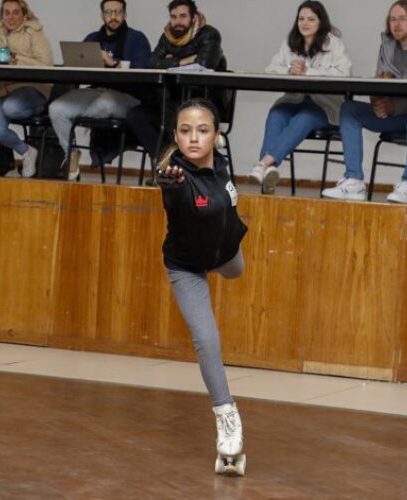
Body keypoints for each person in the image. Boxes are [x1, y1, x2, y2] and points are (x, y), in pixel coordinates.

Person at [155, 98, 247, 475]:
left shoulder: (222, 164)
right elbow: (171, 189)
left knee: (237, 271)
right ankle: (227, 417)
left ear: (216, 136)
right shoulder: (174, 176)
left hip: (227, 255)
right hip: (188, 267)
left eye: (203, 130)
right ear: (176, 136)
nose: (194, 138)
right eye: (186, 131)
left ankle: (229, 258)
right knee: (207, 340)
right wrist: (171, 184)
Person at [322, 0, 407, 204]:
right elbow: (380, 81)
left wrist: (395, 106)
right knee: (349, 109)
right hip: (400, 114)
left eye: (402, 19)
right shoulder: (387, 47)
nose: (396, 24)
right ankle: (353, 181)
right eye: (392, 19)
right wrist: (378, 102)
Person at [250, 0, 352, 195]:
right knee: (277, 113)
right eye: (301, 19)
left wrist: (309, 72)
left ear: (321, 22)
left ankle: (263, 164)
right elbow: (270, 69)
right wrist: (289, 69)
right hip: (294, 99)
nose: (304, 23)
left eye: (311, 19)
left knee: (305, 117)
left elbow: (344, 73)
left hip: (325, 106)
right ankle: (269, 170)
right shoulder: (289, 43)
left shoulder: (334, 44)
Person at [47, 0, 151, 180]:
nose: (113, 17)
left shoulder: (137, 39)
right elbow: (78, 68)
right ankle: (70, 152)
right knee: (56, 108)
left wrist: (113, 63)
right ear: (102, 15)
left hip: (127, 96)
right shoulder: (93, 39)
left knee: (105, 103)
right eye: (109, 12)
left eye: (118, 12)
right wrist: (73, 65)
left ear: (125, 15)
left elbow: (142, 72)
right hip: (95, 92)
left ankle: (78, 119)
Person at [126, 0, 227, 166]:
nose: (177, 22)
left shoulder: (209, 34)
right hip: (170, 99)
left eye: (182, 16)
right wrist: (182, 62)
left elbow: (203, 65)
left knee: (174, 115)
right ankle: (166, 164)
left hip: (202, 101)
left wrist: (170, 60)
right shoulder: (167, 37)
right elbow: (151, 63)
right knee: (136, 116)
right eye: (173, 17)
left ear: (193, 18)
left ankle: (179, 168)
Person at [0, 0, 53, 178]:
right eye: (6, 12)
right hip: (5, 90)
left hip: (33, 88)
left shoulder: (34, 32)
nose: (10, 17)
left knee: (11, 107)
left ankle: (38, 110)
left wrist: (17, 59)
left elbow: (46, 64)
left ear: (24, 14)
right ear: (2, 14)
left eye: (15, 12)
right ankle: (26, 151)